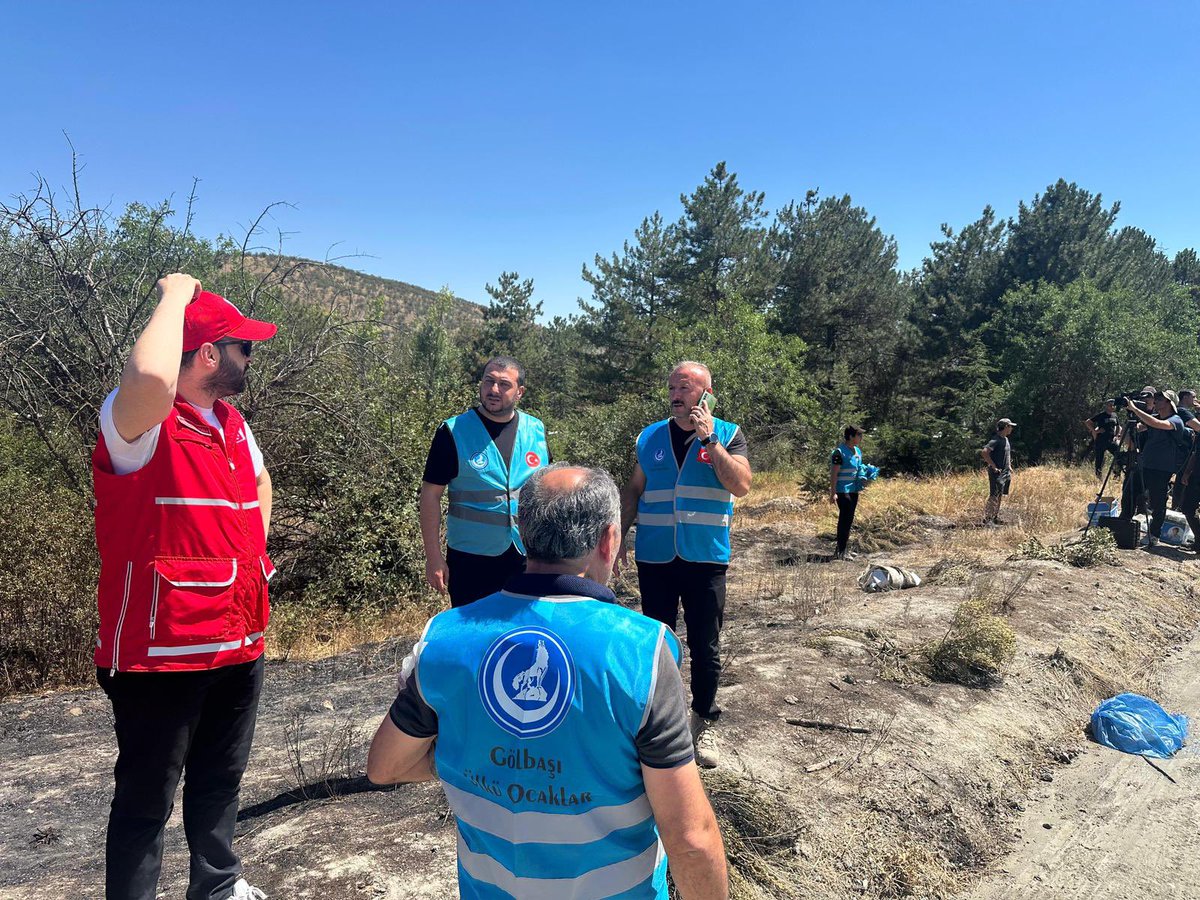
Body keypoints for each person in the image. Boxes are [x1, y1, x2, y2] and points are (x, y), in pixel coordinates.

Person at [367, 464, 729, 900]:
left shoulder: (445, 638)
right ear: (608, 540)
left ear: (520, 535)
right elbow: (690, 840)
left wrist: (478, 758)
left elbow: (385, 766)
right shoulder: (643, 650)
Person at [93, 274, 276, 900]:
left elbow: (259, 484)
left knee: (220, 779)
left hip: (238, 639)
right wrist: (175, 297)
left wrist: (255, 558)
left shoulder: (232, 423)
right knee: (147, 799)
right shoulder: (139, 423)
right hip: (160, 652)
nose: (251, 358)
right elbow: (149, 378)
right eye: (243, 347)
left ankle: (218, 886)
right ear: (207, 354)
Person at [619, 361, 752, 769]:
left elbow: (741, 485)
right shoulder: (650, 437)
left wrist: (710, 441)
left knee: (704, 644)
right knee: (657, 643)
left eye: (686, 387)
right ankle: (661, 720)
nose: (677, 393)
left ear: (706, 394)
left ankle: (705, 720)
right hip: (656, 557)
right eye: (673, 386)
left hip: (704, 557)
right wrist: (618, 535)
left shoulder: (728, 434)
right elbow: (634, 489)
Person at [419, 356, 549, 607]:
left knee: (523, 634)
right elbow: (430, 495)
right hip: (471, 559)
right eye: (488, 381)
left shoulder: (536, 430)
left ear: (520, 392)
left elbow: (550, 490)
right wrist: (433, 557)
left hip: (529, 556)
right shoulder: (453, 431)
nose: (493, 390)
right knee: (474, 636)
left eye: (504, 384)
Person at [1126, 390, 1188, 547]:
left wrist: (1135, 409)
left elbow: (1157, 425)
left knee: (1157, 503)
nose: (1157, 401)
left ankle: (1154, 534)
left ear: (1169, 403)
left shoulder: (1176, 420)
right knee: (1130, 493)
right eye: (1157, 398)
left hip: (1162, 468)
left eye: (1161, 399)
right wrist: (1132, 420)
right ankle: (1124, 524)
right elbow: (1140, 427)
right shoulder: (1154, 417)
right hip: (1145, 464)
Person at [828, 425, 879, 560]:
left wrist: (866, 477)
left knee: (849, 520)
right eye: (859, 435)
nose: (861, 438)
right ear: (850, 436)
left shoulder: (857, 451)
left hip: (853, 490)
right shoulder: (839, 452)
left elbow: (858, 469)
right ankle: (840, 552)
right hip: (842, 490)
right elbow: (834, 473)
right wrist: (833, 492)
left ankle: (842, 550)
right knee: (844, 520)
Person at [980, 418, 1015, 525]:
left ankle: (995, 517)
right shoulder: (996, 440)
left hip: (1005, 472)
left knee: (1000, 495)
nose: (1011, 429)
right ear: (1005, 427)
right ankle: (987, 519)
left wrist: (1009, 466)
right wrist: (993, 466)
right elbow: (984, 452)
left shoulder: (1006, 439)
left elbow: (1007, 454)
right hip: (997, 472)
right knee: (994, 495)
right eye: (1010, 426)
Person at [1083, 399, 1121, 479]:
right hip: (1101, 440)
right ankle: (1098, 478)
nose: (1112, 407)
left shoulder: (1115, 415)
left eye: (1113, 405)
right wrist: (1095, 431)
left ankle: (1116, 474)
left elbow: (1118, 426)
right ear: (1106, 406)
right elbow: (1088, 422)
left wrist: (1116, 435)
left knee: (1119, 456)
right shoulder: (1101, 415)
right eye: (1110, 405)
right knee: (1099, 460)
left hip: (1111, 441)